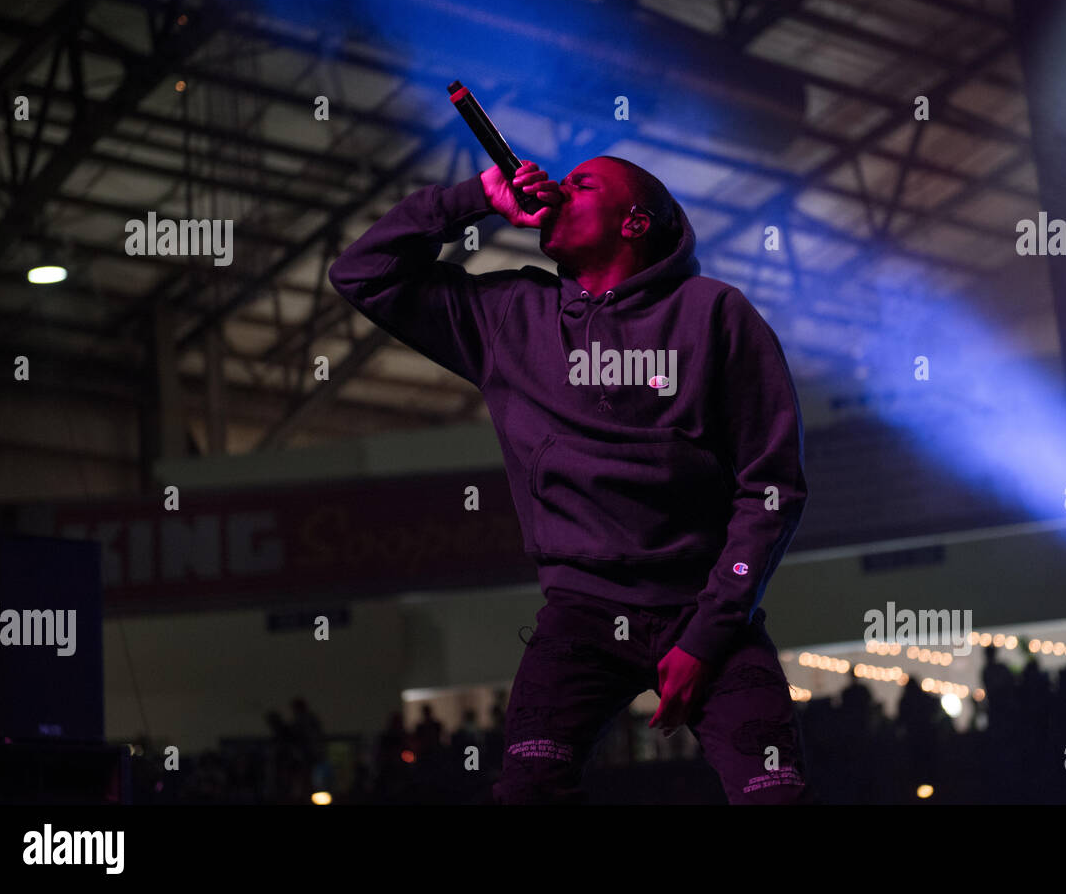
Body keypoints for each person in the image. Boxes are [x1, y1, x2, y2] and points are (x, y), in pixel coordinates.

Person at [329, 155, 812, 804]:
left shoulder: (717, 314)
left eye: (582, 184)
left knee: (776, 795)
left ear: (635, 221)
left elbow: (772, 486)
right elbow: (361, 273)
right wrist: (475, 196)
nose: (557, 189)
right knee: (529, 789)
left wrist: (708, 633)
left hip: (707, 611)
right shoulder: (510, 316)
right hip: (581, 616)